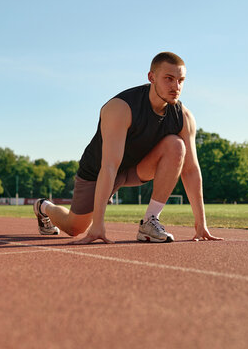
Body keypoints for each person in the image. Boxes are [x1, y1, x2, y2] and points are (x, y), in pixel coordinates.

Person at [33, 52, 223, 244]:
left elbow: (190, 170)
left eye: (181, 80)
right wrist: (97, 225)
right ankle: (44, 207)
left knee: (176, 146)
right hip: (97, 172)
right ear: (151, 77)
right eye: (169, 79)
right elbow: (108, 166)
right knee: (74, 228)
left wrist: (201, 224)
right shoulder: (121, 108)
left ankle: (150, 221)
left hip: (135, 169)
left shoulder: (183, 117)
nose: (176, 87)